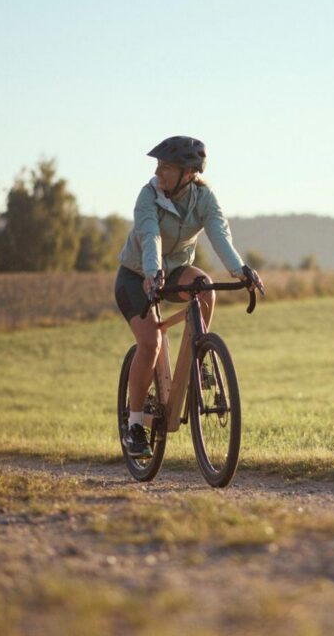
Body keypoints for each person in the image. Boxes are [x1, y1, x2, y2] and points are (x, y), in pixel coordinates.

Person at [115, 135, 264, 458]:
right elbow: (150, 236)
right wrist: (153, 274)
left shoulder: (204, 198)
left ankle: (199, 354)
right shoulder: (149, 195)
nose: (158, 173)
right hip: (136, 275)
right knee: (151, 343)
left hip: (177, 269)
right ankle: (136, 424)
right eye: (157, 166)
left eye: (166, 167)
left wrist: (242, 271)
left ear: (189, 173)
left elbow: (219, 236)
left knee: (205, 287)